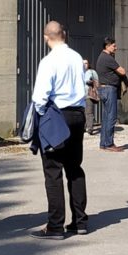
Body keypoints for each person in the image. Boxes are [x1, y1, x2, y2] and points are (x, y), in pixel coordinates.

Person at [29, 21, 88, 238]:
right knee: (74, 167)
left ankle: (55, 225)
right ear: (64, 34)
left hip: (56, 114)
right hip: (77, 114)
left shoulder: (48, 61)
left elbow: (40, 96)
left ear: (46, 37)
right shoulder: (76, 57)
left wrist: (40, 113)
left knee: (53, 170)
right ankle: (80, 221)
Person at [95, 38, 126, 152]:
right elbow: (122, 71)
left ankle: (104, 143)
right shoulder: (108, 58)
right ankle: (109, 143)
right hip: (109, 89)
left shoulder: (102, 57)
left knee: (106, 117)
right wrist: (120, 71)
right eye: (114, 46)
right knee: (111, 117)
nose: (116, 48)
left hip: (105, 89)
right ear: (107, 46)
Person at [82, 59, 100, 135]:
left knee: (89, 112)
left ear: (88, 64)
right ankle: (83, 127)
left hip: (89, 94)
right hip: (80, 96)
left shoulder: (91, 72)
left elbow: (95, 81)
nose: (84, 65)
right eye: (83, 63)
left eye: (86, 63)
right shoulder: (80, 72)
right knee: (82, 112)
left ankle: (90, 128)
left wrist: (90, 81)